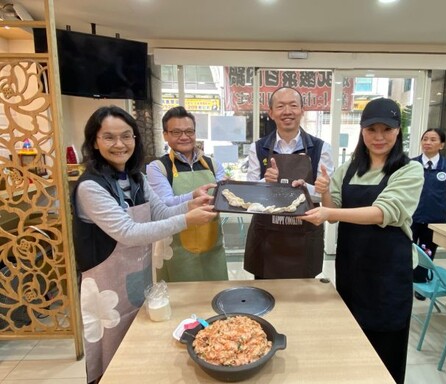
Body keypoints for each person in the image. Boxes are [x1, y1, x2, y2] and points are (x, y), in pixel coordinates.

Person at [72, 105, 217, 384]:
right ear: (94, 141)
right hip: (106, 285)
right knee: (110, 356)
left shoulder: (136, 177)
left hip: (138, 276)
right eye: (109, 137)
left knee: (137, 349)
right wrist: (188, 219)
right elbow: (128, 232)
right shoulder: (91, 187)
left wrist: (192, 203)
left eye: (126, 136)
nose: (119, 144)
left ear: (135, 140)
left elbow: (160, 212)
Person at [299, 98, 424, 383]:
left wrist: (330, 209)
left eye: (386, 130)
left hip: (389, 276)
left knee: (385, 350)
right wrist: (325, 192)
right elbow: (332, 215)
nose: (378, 137)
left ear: (398, 131)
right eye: (371, 129)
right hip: (353, 271)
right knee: (351, 344)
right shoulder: (350, 168)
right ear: (362, 131)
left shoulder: (409, 170)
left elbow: (384, 212)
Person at [244, 86, 334, 279]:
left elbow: (324, 194)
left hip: (304, 236)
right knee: (265, 296)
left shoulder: (320, 148)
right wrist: (266, 182)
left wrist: (307, 186)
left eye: (293, 105)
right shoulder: (258, 148)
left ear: (302, 110)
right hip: (267, 235)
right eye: (280, 106)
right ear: (271, 113)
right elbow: (249, 194)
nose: (287, 112)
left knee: (301, 297)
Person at [146, 106, 228, 282]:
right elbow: (164, 206)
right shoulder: (158, 168)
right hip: (176, 250)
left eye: (189, 131)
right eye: (176, 132)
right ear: (165, 135)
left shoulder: (212, 164)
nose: (184, 137)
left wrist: (263, 184)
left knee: (216, 298)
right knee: (180, 302)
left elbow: (227, 193)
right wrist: (192, 196)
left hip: (212, 245)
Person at [412, 128, 446, 299]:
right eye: (425, 139)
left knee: (427, 250)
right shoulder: (411, 164)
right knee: (407, 248)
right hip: (412, 216)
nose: (427, 143)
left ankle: (421, 283)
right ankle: (403, 280)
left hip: (434, 219)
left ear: (442, 144)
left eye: (433, 139)